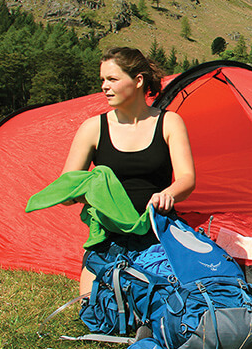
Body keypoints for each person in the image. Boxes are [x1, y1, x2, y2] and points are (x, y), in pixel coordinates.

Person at [62, 47, 195, 294]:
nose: (104, 86)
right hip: (108, 235)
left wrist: (168, 194)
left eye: (112, 79)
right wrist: (90, 193)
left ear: (138, 81)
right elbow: (67, 187)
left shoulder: (169, 122)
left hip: (157, 230)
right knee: (92, 309)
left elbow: (187, 178)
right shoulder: (93, 128)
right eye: (102, 80)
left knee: (161, 308)